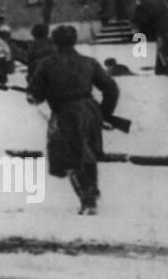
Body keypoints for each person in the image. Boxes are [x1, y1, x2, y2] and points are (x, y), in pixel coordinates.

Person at [27, 25, 120, 215]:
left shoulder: (46, 64)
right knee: (87, 153)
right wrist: (104, 113)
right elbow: (111, 89)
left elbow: (36, 95)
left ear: (54, 41)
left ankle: (87, 199)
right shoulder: (89, 62)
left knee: (67, 157)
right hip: (89, 111)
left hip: (65, 114)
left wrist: (33, 96)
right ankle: (91, 191)